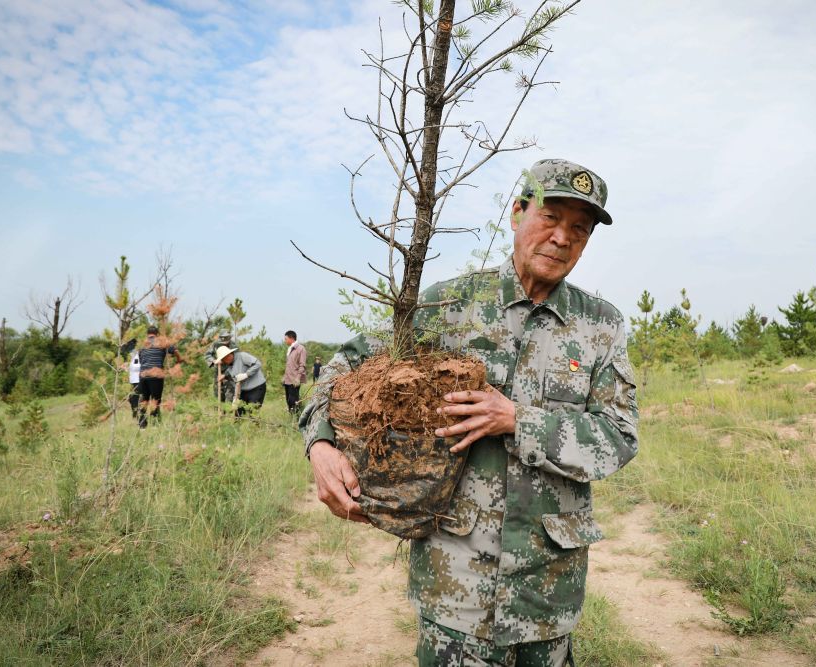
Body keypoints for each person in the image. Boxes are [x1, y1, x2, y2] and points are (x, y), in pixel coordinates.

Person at [300, 159, 638, 666]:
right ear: (517, 212)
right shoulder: (449, 305)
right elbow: (345, 366)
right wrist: (321, 445)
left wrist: (518, 420)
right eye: (550, 218)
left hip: (546, 593)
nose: (562, 238)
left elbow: (618, 437)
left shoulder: (601, 327)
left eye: (580, 229)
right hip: (453, 583)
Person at [137, 325, 183, 428]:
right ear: (157, 334)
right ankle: (155, 424)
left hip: (143, 375)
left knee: (144, 400)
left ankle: (142, 425)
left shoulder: (142, 344)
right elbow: (175, 350)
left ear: (148, 334)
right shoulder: (161, 342)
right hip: (156, 376)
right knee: (156, 400)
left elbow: (140, 360)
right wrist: (179, 360)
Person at [214, 345, 267, 418]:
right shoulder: (229, 365)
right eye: (222, 360)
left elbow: (257, 364)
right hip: (243, 391)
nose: (224, 361)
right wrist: (224, 376)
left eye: (224, 358)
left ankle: (255, 428)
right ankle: (237, 428)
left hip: (257, 388)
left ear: (229, 355)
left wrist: (246, 374)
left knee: (253, 412)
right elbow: (233, 375)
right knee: (238, 414)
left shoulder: (242, 356)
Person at [204, 331, 235, 401]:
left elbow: (236, 360)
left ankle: (229, 409)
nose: (225, 344)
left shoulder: (234, 345)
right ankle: (219, 409)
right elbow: (207, 355)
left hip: (230, 370)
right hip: (218, 369)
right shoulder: (215, 344)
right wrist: (214, 361)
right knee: (218, 391)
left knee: (230, 391)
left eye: (227, 342)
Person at [282, 330, 307, 415]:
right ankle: (291, 417)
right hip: (287, 380)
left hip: (294, 380)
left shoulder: (301, 349)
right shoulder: (290, 349)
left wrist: (298, 378)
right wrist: (284, 377)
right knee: (288, 400)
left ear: (291, 338)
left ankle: (296, 418)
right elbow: (289, 365)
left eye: (286, 339)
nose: (284, 341)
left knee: (293, 400)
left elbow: (302, 365)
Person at [128, 347, 141, 418]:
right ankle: (135, 413)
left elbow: (137, 367)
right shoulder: (132, 357)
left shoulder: (138, 356)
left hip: (138, 380)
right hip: (132, 381)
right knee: (131, 398)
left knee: (134, 398)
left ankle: (136, 415)